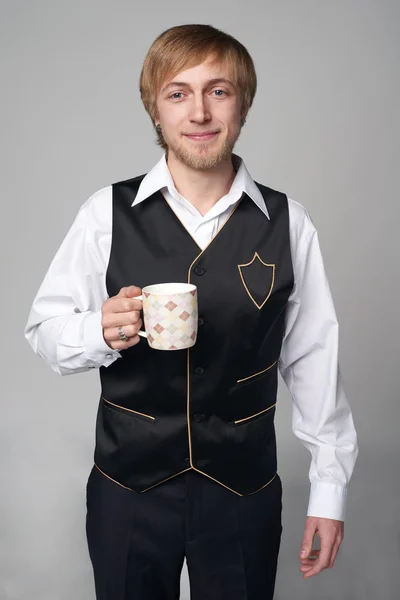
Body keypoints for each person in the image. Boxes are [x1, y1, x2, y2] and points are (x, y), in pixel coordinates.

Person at [24, 23, 358, 600]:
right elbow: (46, 333)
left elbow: (313, 363)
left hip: (242, 489)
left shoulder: (290, 223)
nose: (199, 112)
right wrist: (98, 330)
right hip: (127, 486)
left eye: (218, 91)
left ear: (243, 104)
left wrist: (330, 494)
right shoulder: (106, 212)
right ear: (155, 110)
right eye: (178, 93)